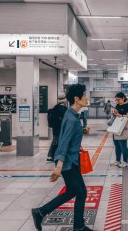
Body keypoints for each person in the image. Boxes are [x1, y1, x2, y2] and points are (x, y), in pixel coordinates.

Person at [31, 84, 94, 231]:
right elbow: (64, 142)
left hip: (71, 161)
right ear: (77, 99)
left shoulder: (71, 114)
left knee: (73, 191)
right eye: (84, 95)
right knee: (81, 192)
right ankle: (78, 227)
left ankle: (40, 212)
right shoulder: (71, 118)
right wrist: (59, 166)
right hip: (69, 163)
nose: (86, 98)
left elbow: (68, 135)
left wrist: (81, 130)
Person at [111, 92, 128, 168]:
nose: (117, 101)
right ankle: (117, 160)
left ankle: (125, 162)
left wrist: (120, 115)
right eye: (116, 100)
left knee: (123, 145)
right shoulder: (118, 105)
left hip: (124, 128)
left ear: (123, 98)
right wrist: (115, 113)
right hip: (116, 127)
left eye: (118, 99)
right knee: (117, 145)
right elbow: (117, 114)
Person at [47, 93, 68, 162]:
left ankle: (50, 156)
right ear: (65, 100)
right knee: (59, 142)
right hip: (61, 129)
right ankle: (55, 156)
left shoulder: (55, 107)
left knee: (55, 141)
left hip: (55, 129)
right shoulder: (64, 109)